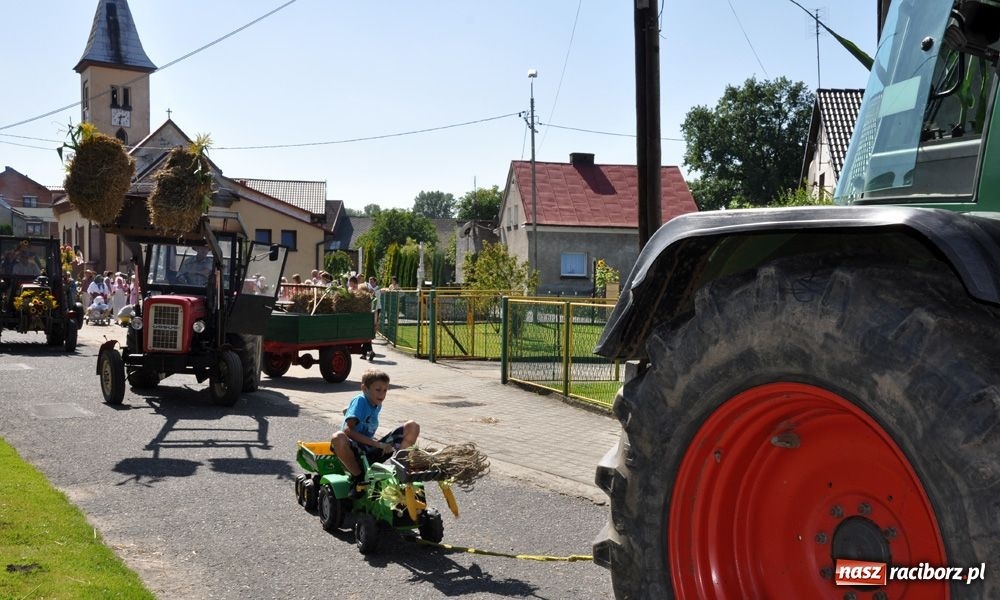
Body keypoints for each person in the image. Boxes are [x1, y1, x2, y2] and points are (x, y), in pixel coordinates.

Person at [330, 370, 420, 497]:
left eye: (385, 390)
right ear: (364, 388)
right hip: (352, 453)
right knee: (338, 437)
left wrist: (348, 411)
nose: (382, 394)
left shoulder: (376, 403)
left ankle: (400, 469)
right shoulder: (360, 400)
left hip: (368, 451)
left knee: (412, 426)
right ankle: (359, 478)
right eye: (378, 390)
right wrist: (378, 445)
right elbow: (348, 431)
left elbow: (357, 416)